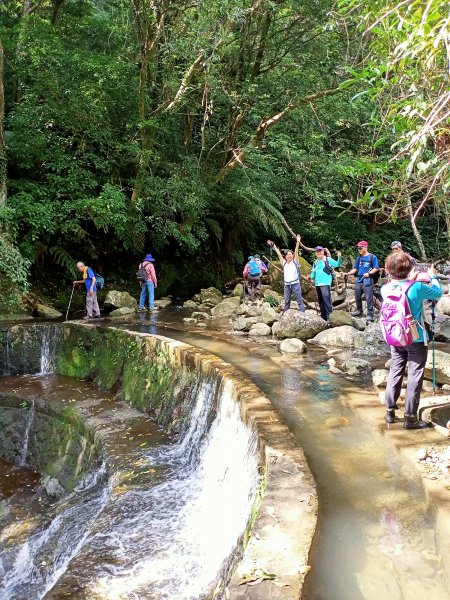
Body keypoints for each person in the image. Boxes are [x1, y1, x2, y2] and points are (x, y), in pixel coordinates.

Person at [381, 251, 442, 429]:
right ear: (410, 268)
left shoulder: (385, 288)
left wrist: (410, 278)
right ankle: (410, 418)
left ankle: (390, 413)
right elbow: (437, 294)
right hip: (415, 338)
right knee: (415, 376)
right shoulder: (417, 287)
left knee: (395, 371)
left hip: (395, 336)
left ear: (388, 270)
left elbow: (400, 286)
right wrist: (432, 276)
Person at [268, 235, 305, 312]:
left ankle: (303, 316)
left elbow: (296, 251)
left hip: (295, 284)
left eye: (290, 254)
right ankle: (285, 315)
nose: (289, 256)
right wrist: (273, 245)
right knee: (287, 301)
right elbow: (278, 254)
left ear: (292, 256)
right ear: (285, 256)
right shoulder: (284, 263)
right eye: (287, 255)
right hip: (287, 285)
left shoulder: (295, 262)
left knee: (299, 301)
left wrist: (298, 241)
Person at [344, 240, 380, 321]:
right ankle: (359, 311)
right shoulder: (358, 258)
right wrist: (347, 273)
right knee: (357, 296)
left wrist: (369, 273)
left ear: (365, 247)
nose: (359, 249)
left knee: (368, 297)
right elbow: (355, 269)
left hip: (368, 279)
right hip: (359, 279)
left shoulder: (372, 257)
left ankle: (370, 314)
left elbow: (376, 268)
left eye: (360, 248)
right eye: (358, 248)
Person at [310, 246, 342, 321]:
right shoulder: (315, 262)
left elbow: (337, 264)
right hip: (318, 284)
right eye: (317, 251)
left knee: (327, 300)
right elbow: (313, 272)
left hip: (326, 283)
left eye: (320, 251)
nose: (319, 253)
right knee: (321, 301)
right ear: (315, 253)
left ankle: (330, 317)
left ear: (323, 252)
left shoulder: (328, 259)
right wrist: (311, 278)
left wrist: (339, 257)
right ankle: (323, 317)